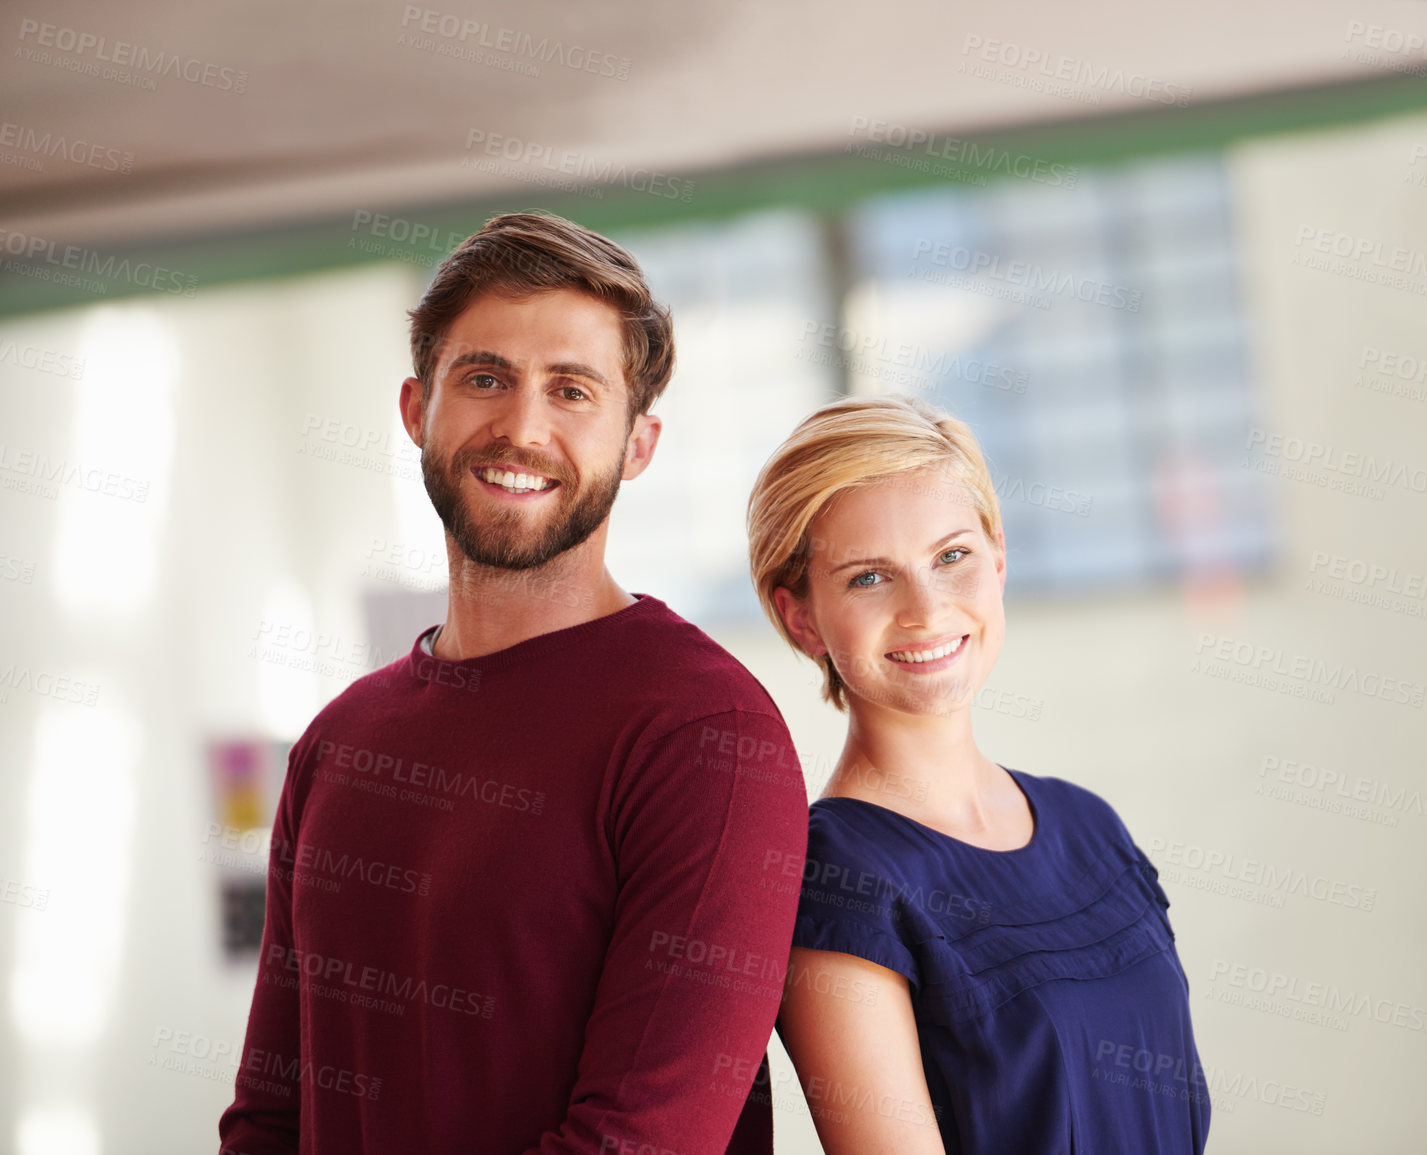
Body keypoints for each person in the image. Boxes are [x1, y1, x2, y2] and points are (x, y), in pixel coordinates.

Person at [219, 211, 808, 1154]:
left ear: (638, 443)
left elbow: (641, 1143)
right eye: (485, 378)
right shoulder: (339, 742)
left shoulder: (707, 733)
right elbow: (270, 1119)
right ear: (418, 410)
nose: (522, 427)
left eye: (571, 390)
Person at [746, 394, 1210, 1154]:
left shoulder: (1089, 826)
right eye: (868, 577)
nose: (926, 610)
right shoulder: (833, 880)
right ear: (799, 616)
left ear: (998, 558)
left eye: (951, 556)